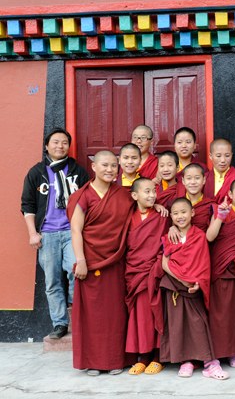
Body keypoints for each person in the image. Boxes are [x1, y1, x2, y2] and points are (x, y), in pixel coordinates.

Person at [67, 150, 136, 376]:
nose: (109, 170)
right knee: (92, 315)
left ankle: (116, 359)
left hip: (115, 261)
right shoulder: (82, 195)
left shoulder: (124, 194)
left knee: (115, 313)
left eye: (113, 166)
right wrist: (81, 260)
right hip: (90, 261)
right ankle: (94, 361)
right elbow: (76, 230)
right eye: (105, 165)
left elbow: (139, 215)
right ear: (93, 166)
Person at [21, 128, 89, 339]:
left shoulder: (77, 171)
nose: (60, 146)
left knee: (75, 271)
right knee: (52, 281)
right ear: (47, 145)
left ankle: (76, 314)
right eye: (55, 142)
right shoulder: (36, 172)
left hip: (72, 231)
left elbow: (88, 201)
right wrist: (33, 233)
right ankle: (59, 324)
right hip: (47, 233)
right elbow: (27, 205)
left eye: (64, 143)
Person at [160, 197, 229, 380]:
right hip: (176, 286)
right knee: (178, 325)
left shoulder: (199, 235)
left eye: (184, 212)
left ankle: (210, 363)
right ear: (171, 217)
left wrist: (198, 282)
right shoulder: (170, 236)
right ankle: (186, 361)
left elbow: (203, 262)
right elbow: (164, 263)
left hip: (194, 287)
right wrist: (181, 280)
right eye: (175, 213)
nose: (180, 216)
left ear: (192, 213)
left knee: (199, 323)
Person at [205, 177, 235, 368]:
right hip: (221, 269)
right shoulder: (219, 210)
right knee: (220, 313)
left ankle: (233, 352)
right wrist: (220, 217)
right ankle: (216, 352)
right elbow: (210, 236)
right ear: (231, 195)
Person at [125, 178, 169, 375]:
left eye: (154, 191)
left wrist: (157, 265)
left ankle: (159, 356)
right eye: (147, 192)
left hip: (154, 271)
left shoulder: (161, 216)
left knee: (155, 312)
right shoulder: (128, 216)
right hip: (135, 272)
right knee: (139, 316)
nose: (152, 195)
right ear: (135, 196)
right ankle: (143, 356)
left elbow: (166, 242)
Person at [204, 138, 235, 204]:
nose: (223, 160)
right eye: (218, 156)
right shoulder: (204, 178)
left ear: (231, 155)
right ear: (210, 156)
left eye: (227, 156)